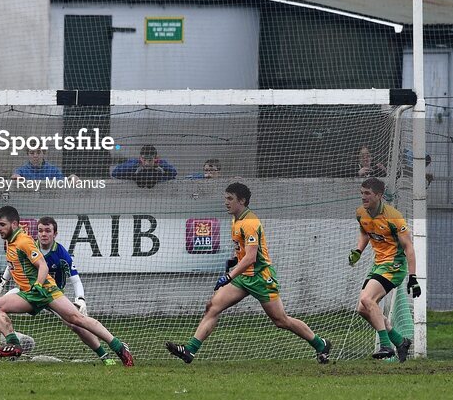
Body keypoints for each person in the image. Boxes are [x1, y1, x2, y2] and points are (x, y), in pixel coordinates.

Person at [165, 183, 332, 364]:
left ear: (242, 201)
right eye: (225, 198)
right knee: (212, 306)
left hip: (261, 277)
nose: (226, 202)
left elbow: (251, 257)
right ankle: (190, 350)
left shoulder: (251, 222)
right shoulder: (236, 220)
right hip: (244, 277)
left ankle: (320, 344)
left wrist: (229, 276)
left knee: (281, 321)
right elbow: (244, 254)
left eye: (230, 198)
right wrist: (234, 262)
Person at [0, 206, 134, 366]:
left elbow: (44, 266)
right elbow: (14, 264)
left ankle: (117, 348)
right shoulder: (14, 242)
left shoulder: (28, 243)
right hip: (29, 292)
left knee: (77, 321)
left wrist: (79, 298)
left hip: (45, 290)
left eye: (2, 225)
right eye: (40, 230)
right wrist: (1, 283)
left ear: (14, 224)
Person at [349, 178, 420, 362]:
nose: (363, 197)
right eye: (362, 193)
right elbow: (365, 231)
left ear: (379, 196)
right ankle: (400, 341)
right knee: (362, 309)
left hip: (394, 266)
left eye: (367, 193)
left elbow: (409, 247)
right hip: (379, 265)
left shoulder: (393, 217)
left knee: (366, 299)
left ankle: (385, 345)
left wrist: (413, 277)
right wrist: (358, 250)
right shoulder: (361, 213)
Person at [111, 145, 177, 188]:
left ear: (156, 158)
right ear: (140, 158)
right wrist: (136, 165)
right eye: (144, 159)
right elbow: (114, 173)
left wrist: (158, 164)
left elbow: (174, 173)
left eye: (150, 160)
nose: (147, 163)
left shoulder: (160, 163)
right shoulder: (134, 162)